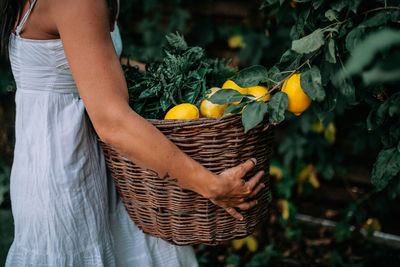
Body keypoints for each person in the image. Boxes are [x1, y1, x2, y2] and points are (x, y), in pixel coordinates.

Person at [0, 0, 265, 266]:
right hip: (69, 170)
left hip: (111, 163)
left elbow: (95, 62)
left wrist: (187, 82)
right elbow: (113, 123)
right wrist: (211, 185)